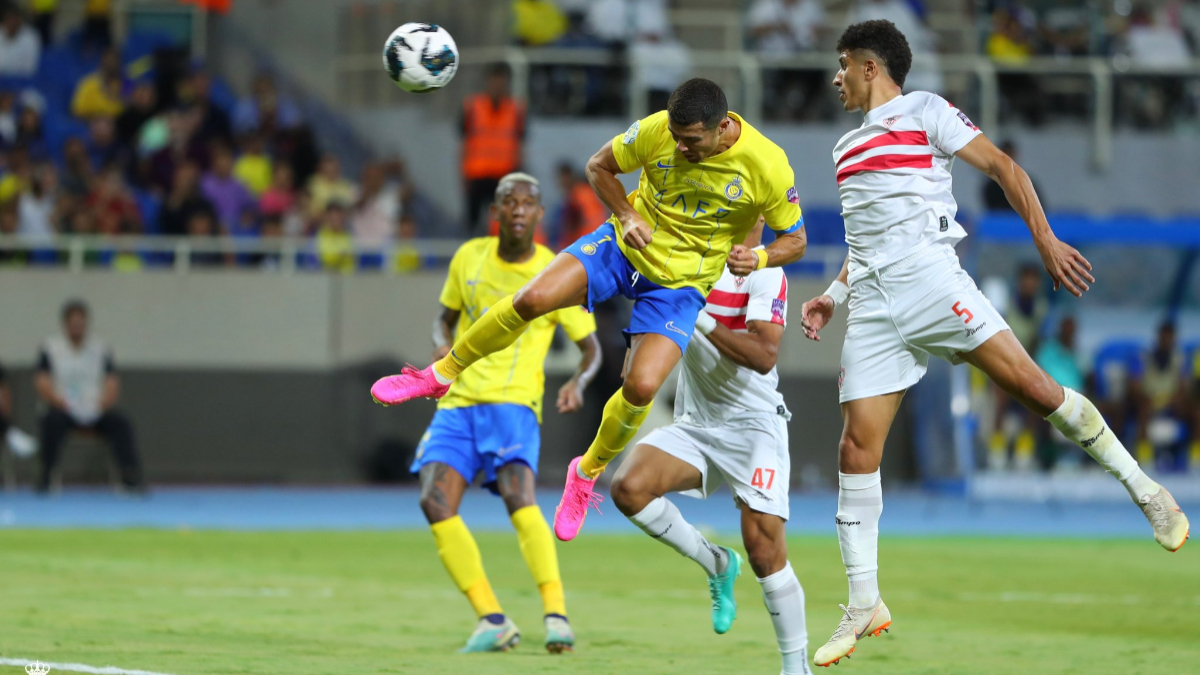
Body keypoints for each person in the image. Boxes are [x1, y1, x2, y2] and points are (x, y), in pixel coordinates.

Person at [799, 20, 1190, 667]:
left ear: (871, 67)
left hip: (932, 281)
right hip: (872, 304)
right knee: (855, 446)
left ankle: (1147, 490)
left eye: (843, 65)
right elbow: (864, 242)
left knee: (1034, 388)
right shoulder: (845, 150)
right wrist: (832, 298)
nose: (835, 78)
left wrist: (1045, 238)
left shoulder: (925, 111)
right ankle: (864, 599)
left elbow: (1005, 167)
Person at [372, 78, 808, 543]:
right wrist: (626, 213)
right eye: (676, 137)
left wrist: (759, 258)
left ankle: (586, 473)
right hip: (622, 247)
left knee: (640, 387)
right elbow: (599, 167)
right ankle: (439, 374)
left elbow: (796, 240)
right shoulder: (656, 130)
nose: (681, 147)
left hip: (680, 284)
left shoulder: (767, 165)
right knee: (531, 299)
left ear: (723, 128)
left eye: (692, 140)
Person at [409, 173, 602, 653]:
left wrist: (579, 381)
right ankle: (492, 619)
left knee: (519, 499)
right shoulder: (468, 257)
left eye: (528, 203)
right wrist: (439, 343)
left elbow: (591, 348)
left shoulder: (557, 270)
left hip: (513, 404)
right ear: (494, 212)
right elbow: (444, 316)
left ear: (539, 215)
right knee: (434, 503)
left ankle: (556, 614)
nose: (518, 209)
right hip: (457, 403)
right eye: (508, 202)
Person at [611, 218, 813, 675]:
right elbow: (638, 360)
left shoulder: (766, 273)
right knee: (629, 486)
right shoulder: (686, 263)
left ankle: (795, 667)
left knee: (763, 551)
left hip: (754, 427)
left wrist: (696, 316)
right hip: (697, 423)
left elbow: (764, 355)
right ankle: (716, 563)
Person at [35, 299, 144, 494]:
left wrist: (104, 402)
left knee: (121, 423)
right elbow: (42, 381)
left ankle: (130, 477)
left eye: (81, 323)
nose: (77, 327)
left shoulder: (100, 348)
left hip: (94, 409)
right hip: (64, 409)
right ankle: (46, 475)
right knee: (50, 421)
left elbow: (112, 382)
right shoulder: (50, 348)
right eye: (73, 323)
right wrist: (57, 401)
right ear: (65, 324)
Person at [461, 63, 526, 235]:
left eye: (501, 82)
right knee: (472, 225)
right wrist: (463, 175)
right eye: (494, 81)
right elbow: (463, 143)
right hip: (477, 175)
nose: (497, 86)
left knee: (504, 225)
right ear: (487, 82)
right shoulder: (472, 107)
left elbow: (520, 144)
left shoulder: (515, 109)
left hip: (504, 177)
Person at [1133, 321, 1190, 468]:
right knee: (1143, 407)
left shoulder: (1180, 360)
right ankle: (1144, 458)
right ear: (1158, 338)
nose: (1166, 342)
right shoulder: (1145, 358)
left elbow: (1183, 387)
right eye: (1163, 338)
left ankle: (1194, 459)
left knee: (1194, 409)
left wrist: (1174, 400)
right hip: (1149, 402)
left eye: (1169, 339)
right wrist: (1147, 398)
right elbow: (1135, 384)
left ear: (1174, 340)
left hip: (1171, 405)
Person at [70, 47, 124, 121]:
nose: (112, 64)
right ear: (102, 62)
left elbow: (125, 109)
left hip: (117, 125)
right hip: (91, 124)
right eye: (109, 61)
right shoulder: (88, 84)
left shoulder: (125, 83)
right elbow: (77, 111)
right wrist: (98, 118)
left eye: (115, 61)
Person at [0, 5, 41, 77]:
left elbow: (30, 68)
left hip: (21, 81)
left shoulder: (30, 38)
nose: (11, 23)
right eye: (8, 19)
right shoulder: (1, 32)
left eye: (13, 19)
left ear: (19, 20)